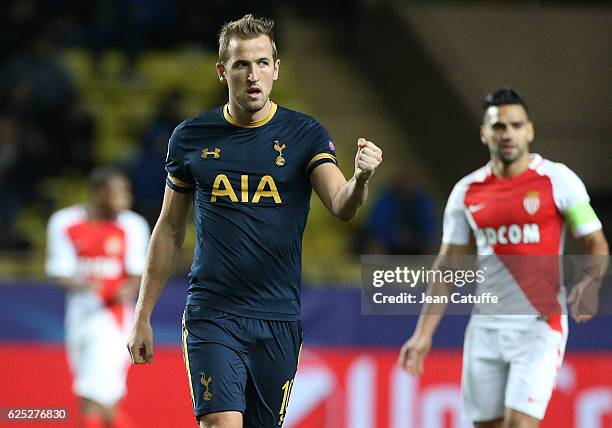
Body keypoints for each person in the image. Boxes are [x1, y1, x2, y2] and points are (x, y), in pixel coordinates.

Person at [126, 14, 382, 428]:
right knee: (222, 422)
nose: (253, 75)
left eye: (263, 63)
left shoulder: (305, 134)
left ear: (277, 69)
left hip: (278, 316)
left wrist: (361, 178)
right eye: (242, 64)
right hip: (213, 311)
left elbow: (341, 203)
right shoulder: (191, 137)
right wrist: (142, 315)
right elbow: (170, 227)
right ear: (222, 70)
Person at [399, 88, 608, 428]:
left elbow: (596, 241)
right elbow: (447, 267)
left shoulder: (559, 180)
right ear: (484, 132)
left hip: (539, 327)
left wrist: (590, 281)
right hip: (485, 329)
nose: (507, 133)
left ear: (530, 130)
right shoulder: (466, 192)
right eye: (498, 126)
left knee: (519, 424)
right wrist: (423, 334)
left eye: (515, 125)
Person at [46, 167, 150, 428]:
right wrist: (87, 285)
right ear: (99, 193)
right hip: (79, 317)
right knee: (104, 400)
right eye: (120, 192)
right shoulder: (64, 221)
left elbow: (139, 275)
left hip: (112, 320)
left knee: (91, 398)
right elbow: (60, 272)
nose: (127, 199)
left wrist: (120, 291)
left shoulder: (133, 225)